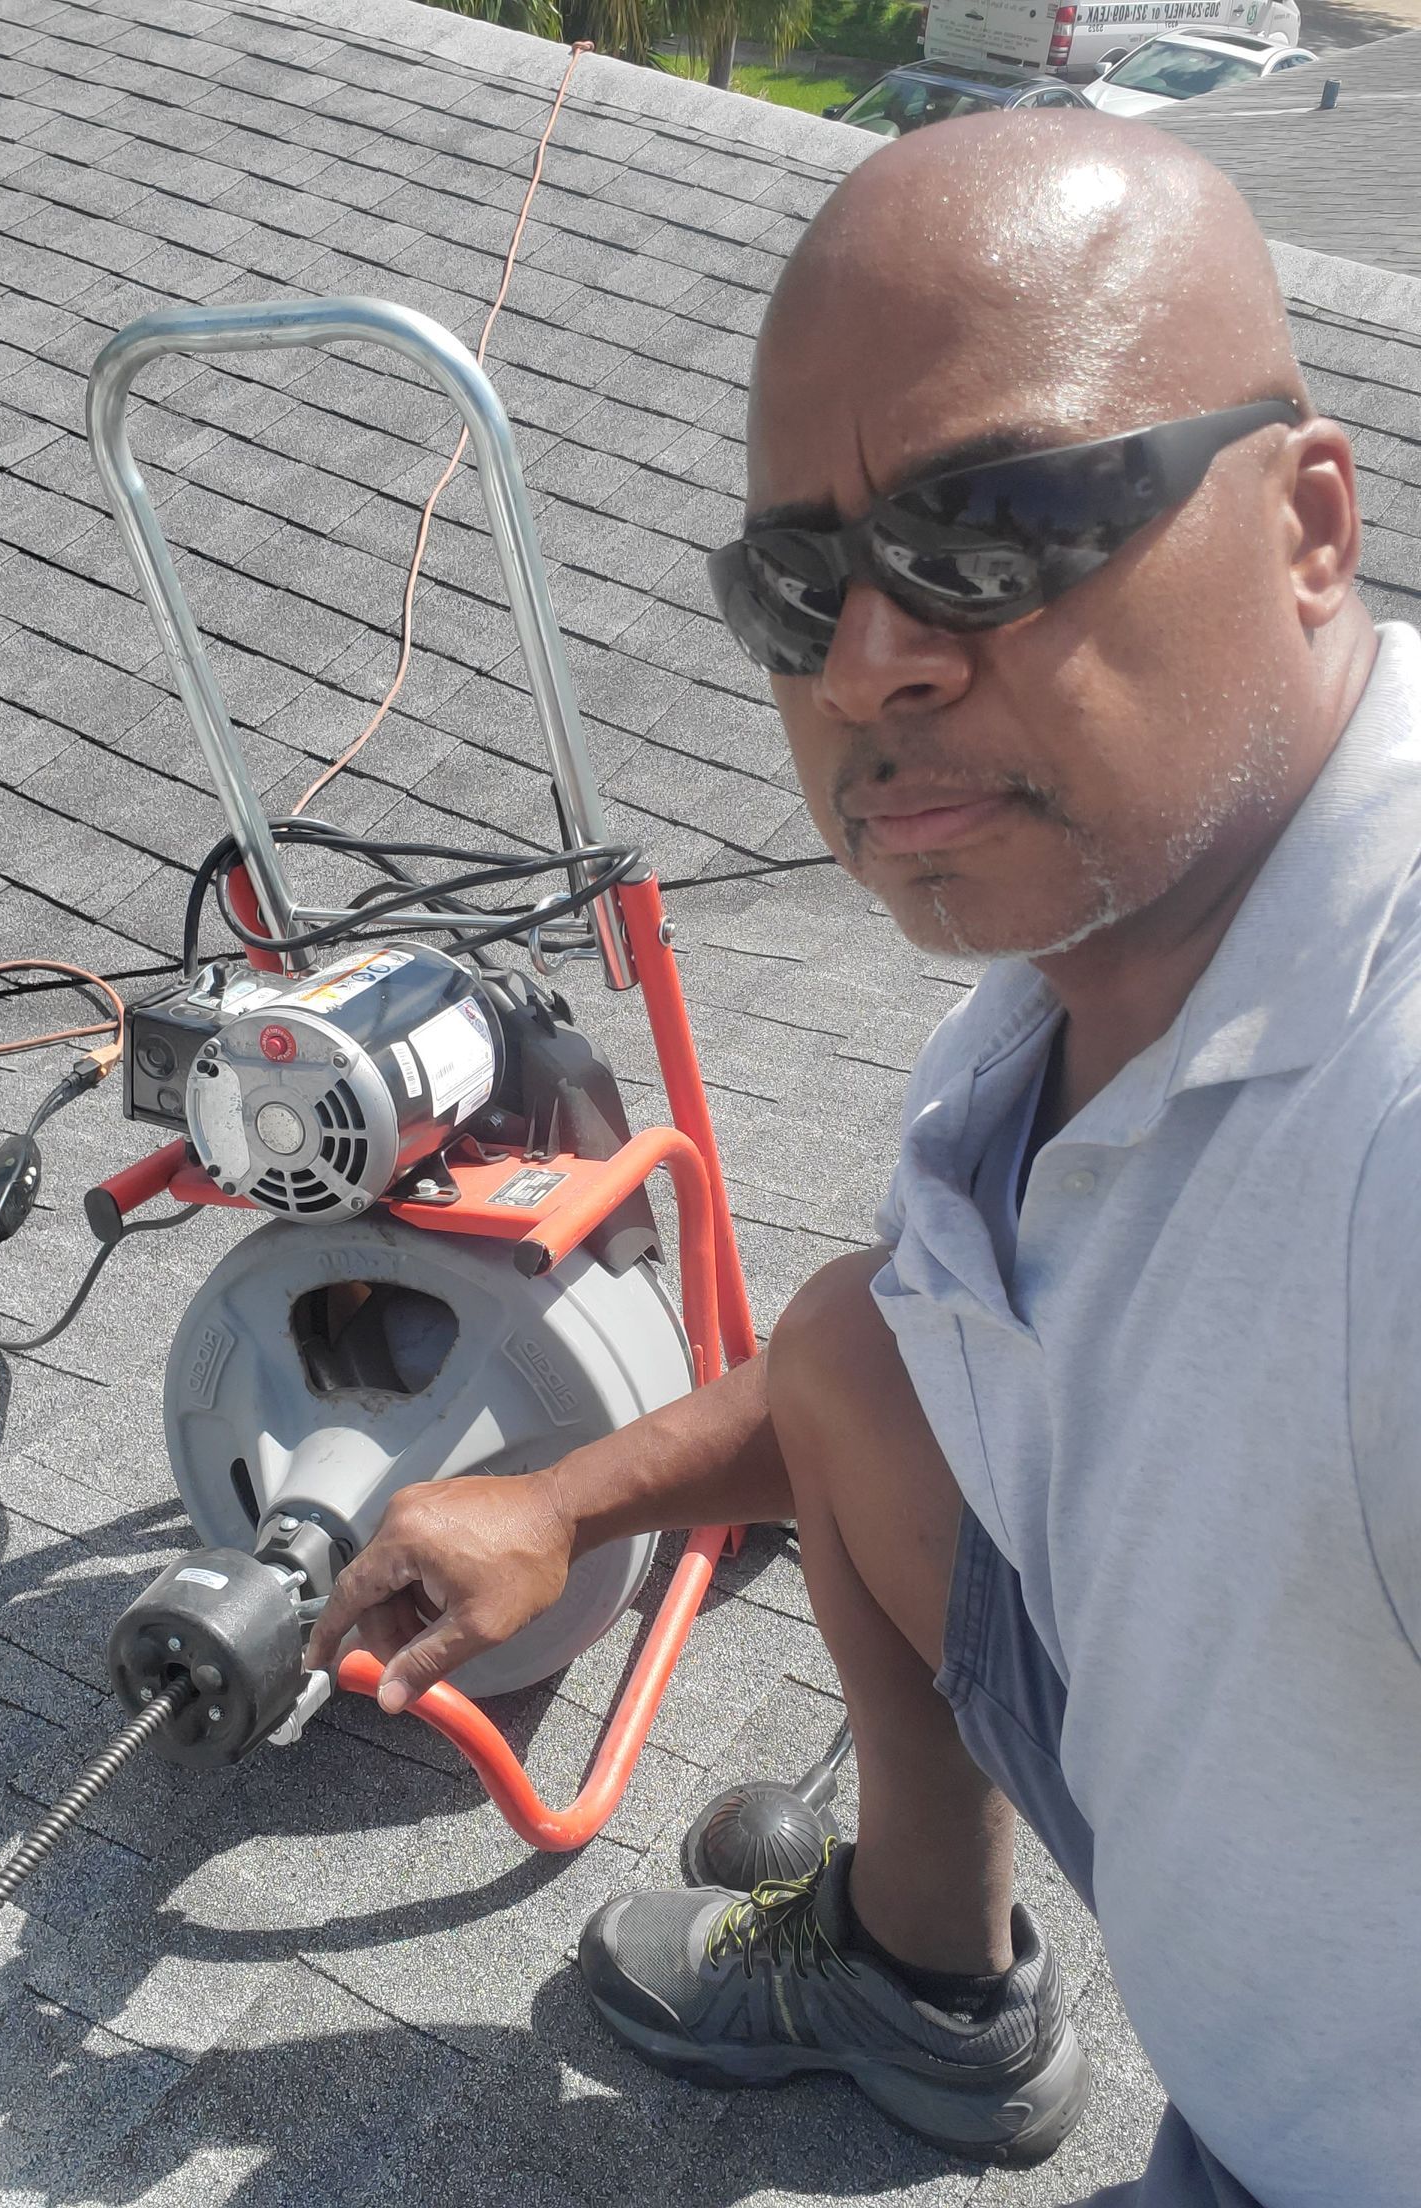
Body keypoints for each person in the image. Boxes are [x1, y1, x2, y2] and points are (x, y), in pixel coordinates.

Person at [305, 113, 1421, 2206]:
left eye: (991, 529)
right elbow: (920, 1343)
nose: (868, 661)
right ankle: (923, 1980)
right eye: (797, 581)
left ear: (1312, 524)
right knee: (850, 1352)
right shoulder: (1123, 946)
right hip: (1244, 1796)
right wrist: (561, 1496)